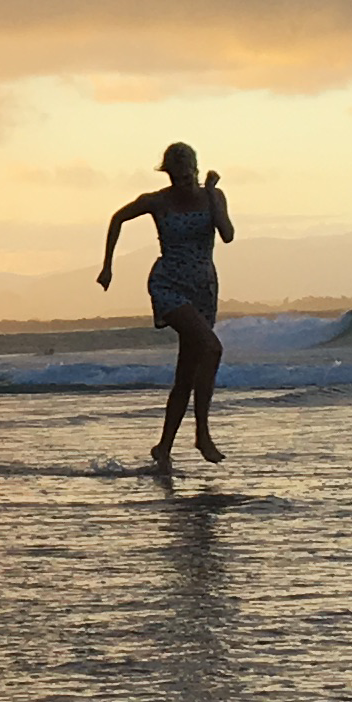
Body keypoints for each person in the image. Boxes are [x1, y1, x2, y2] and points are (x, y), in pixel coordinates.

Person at [97, 142, 234, 474]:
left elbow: (227, 235)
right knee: (212, 348)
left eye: (189, 176)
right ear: (169, 174)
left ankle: (163, 448)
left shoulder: (213, 196)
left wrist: (214, 197)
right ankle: (202, 433)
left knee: (186, 374)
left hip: (203, 288)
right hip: (168, 286)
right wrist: (108, 265)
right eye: (177, 177)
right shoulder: (157, 201)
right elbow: (117, 218)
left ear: (196, 171)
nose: (184, 183)